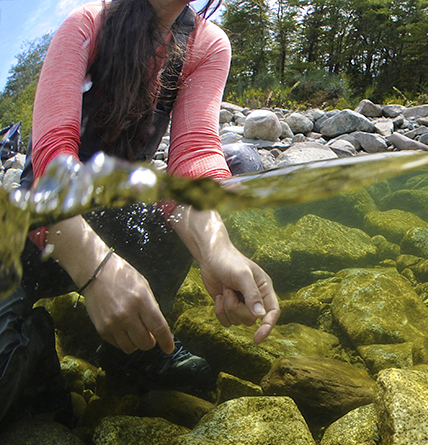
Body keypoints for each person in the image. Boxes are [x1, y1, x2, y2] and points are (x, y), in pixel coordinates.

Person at [0, 0, 279, 423]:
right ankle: (35, 340)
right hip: (40, 225)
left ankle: (135, 348)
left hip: (117, 216)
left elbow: (194, 159)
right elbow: (51, 161)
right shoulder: (86, 24)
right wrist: (96, 270)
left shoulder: (207, 44)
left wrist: (217, 252)